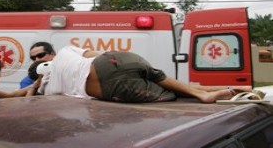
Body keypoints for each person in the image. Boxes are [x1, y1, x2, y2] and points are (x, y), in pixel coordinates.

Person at [27, 46, 251, 103]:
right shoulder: (66, 51)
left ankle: (207, 95)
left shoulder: (49, 89)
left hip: (108, 86)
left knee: (170, 94)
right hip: (117, 58)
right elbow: (98, 53)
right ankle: (228, 89)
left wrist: (34, 87)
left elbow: (29, 99)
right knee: (169, 81)